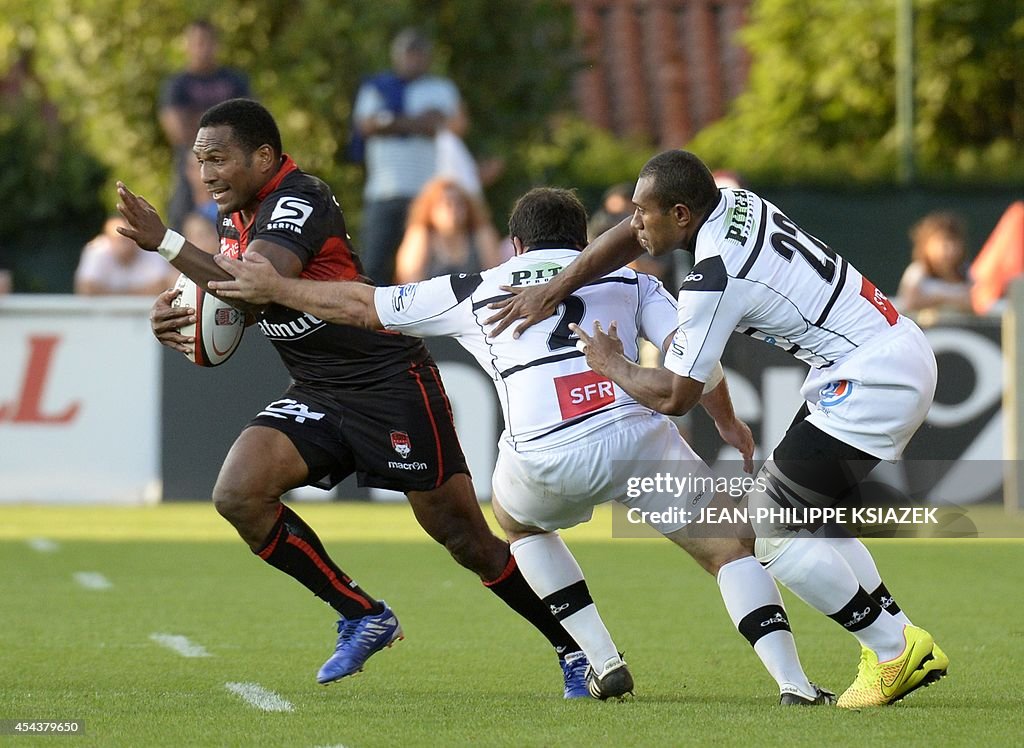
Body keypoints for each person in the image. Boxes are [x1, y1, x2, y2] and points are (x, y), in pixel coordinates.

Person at [210, 187, 835, 706]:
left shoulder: (476, 286)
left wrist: (281, 290)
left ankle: (598, 656)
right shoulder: (632, 280)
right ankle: (794, 684)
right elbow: (698, 359)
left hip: (544, 454)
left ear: (515, 245)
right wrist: (729, 425)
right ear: (586, 239)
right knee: (731, 551)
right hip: (634, 436)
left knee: (520, 526)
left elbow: (366, 306)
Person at [115, 98, 590, 696]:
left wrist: (167, 244)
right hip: (318, 387)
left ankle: (575, 649)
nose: (206, 174)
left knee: (466, 538)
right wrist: (181, 313)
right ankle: (362, 614)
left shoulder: (299, 199)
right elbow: (232, 291)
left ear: (264, 158)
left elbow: (257, 289)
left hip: (389, 382)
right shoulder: (239, 212)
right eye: (199, 160)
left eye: (219, 159)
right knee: (239, 493)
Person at [486, 150, 949, 709]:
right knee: (808, 514)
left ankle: (894, 649)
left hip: (871, 380)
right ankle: (897, 635)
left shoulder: (712, 281)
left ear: (680, 214)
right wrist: (556, 287)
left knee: (766, 527)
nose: (632, 223)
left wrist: (611, 364)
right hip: (880, 354)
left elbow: (678, 396)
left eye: (642, 211)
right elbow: (628, 241)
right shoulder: (733, 202)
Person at [353, 27, 466, 284]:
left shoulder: (441, 88)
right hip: (383, 192)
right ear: (397, 56)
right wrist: (422, 123)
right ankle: (372, 323)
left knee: (426, 266)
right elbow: (367, 125)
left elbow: (457, 125)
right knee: (375, 263)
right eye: (408, 53)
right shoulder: (377, 87)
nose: (413, 60)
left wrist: (392, 123)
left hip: (428, 193)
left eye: (419, 54)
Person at [158, 19, 251, 232]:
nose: (202, 48)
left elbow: (250, 125)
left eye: (207, 42)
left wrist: (197, 120)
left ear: (216, 45)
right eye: (197, 42)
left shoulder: (235, 81)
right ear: (187, 45)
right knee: (182, 236)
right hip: (190, 176)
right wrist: (224, 126)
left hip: (233, 173)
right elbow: (177, 132)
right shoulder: (177, 84)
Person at [393, 177, 502, 283]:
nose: (453, 209)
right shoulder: (420, 236)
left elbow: (495, 278)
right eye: (445, 203)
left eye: (459, 203)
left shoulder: (481, 235)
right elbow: (410, 280)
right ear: (430, 209)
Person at [74, 216, 176, 296]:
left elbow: (162, 286)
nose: (123, 244)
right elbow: (86, 288)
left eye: (128, 238)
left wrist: (108, 293)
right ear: (107, 239)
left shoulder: (152, 250)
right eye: (118, 239)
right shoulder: (97, 250)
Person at [897, 212, 974, 314]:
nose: (949, 249)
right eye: (942, 243)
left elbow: (979, 303)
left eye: (954, 242)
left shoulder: (969, 272)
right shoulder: (916, 272)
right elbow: (909, 303)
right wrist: (942, 299)